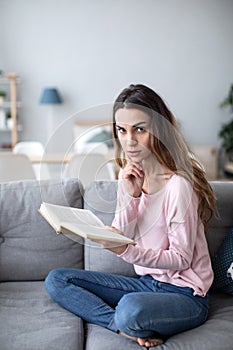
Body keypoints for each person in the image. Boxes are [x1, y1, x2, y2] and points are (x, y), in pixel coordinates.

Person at [45, 84, 217, 348]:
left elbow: (181, 258)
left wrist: (126, 250)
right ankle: (122, 326)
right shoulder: (131, 176)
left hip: (186, 295)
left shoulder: (179, 186)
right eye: (122, 130)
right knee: (57, 279)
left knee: (130, 307)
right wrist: (131, 196)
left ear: (158, 130)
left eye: (139, 129)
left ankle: (130, 321)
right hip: (148, 284)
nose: (129, 141)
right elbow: (120, 232)